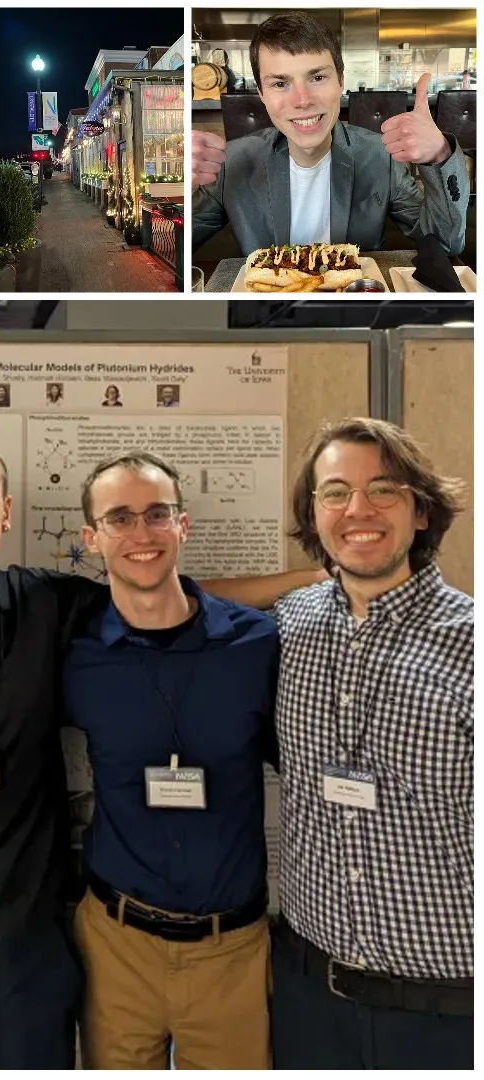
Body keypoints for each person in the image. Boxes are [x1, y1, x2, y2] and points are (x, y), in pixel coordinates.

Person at [0, 434, 314, 1069]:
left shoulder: (50, 605)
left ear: (6, 512)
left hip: (31, 939)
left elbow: (159, 589)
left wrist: (318, 579)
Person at [270, 418, 472, 1070]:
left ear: (421, 511)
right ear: (314, 515)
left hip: (449, 1016)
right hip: (309, 1000)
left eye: (383, 490)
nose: (358, 509)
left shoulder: (471, 648)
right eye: (335, 493)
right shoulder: (291, 627)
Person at [64, 453, 278, 1069]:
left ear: (181, 526)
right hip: (116, 945)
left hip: (232, 950)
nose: (141, 534)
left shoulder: (256, 644)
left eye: (157, 514)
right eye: (120, 518)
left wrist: (311, 576)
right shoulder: (73, 655)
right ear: (92, 537)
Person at [192, 12, 469, 255]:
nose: (302, 100)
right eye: (279, 83)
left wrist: (440, 155)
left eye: (317, 77)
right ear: (262, 94)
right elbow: (173, 248)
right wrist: (179, 189)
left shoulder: (379, 156)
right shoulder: (231, 162)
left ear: (340, 82)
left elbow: (443, 245)